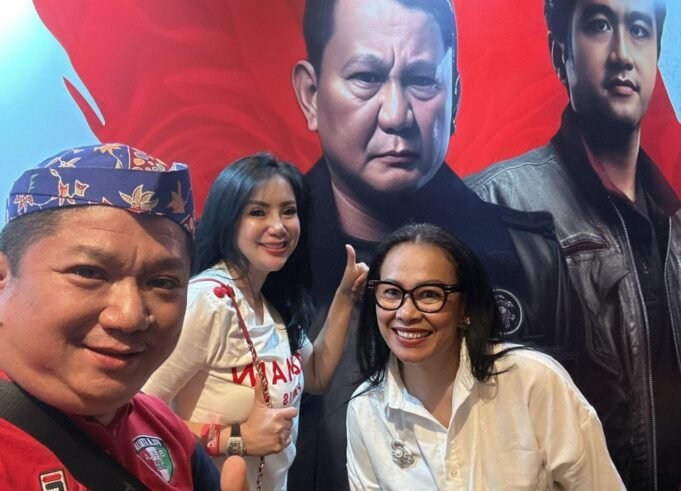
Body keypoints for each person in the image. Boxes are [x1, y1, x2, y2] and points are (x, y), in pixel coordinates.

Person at [289, 0, 582, 488]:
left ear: (455, 99)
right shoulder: (259, 277)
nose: (396, 115)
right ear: (311, 94)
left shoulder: (529, 262)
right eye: (366, 77)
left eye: (422, 80)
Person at [466, 1, 680, 489]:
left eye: (639, 30)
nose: (622, 53)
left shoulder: (674, 224)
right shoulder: (497, 204)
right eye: (599, 25)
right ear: (559, 50)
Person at [0, 143, 247, 490]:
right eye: (88, 273)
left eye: (162, 282)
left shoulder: (164, 429)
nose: (130, 317)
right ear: (3, 278)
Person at [142, 154, 367, 490]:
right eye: (258, 212)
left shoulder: (269, 304)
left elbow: (317, 374)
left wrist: (345, 296)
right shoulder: (208, 301)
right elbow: (140, 415)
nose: (278, 226)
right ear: (229, 219)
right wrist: (238, 438)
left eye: (288, 211)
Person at [346, 223, 623, 490]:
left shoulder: (532, 381)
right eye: (392, 292)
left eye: (429, 294)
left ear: (465, 308)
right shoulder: (365, 409)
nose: (406, 313)